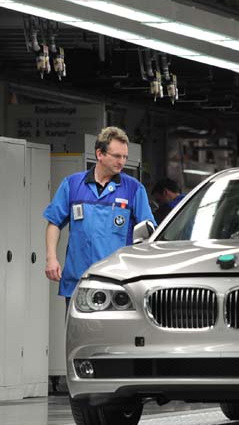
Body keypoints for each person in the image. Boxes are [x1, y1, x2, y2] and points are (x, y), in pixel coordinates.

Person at [44, 127, 156, 305]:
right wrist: (51, 257)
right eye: (117, 156)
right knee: (77, 333)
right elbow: (54, 223)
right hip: (78, 281)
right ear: (99, 154)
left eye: (125, 157)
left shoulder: (134, 189)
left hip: (118, 284)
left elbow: (148, 232)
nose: (122, 162)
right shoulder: (72, 184)